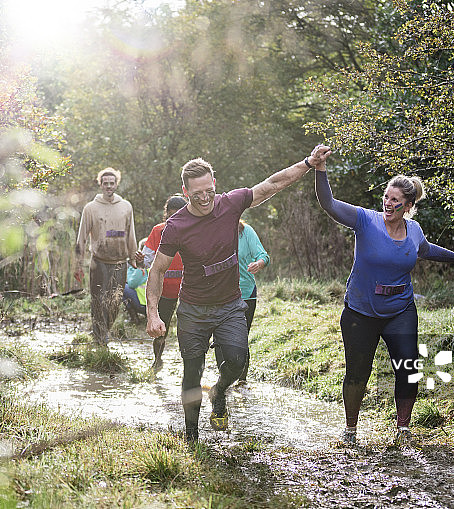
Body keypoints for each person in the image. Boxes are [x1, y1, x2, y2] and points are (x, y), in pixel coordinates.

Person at [146, 145, 332, 442]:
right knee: (192, 372)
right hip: (193, 309)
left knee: (237, 359)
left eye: (208, 190)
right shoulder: (176, 225)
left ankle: (219, 392)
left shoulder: (230, 204)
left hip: (230, 305)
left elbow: (272, 184)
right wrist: (153, 313)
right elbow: (156, 271)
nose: (204, 198)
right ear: (185, 191)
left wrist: (308, 163)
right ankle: (191, 436)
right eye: (196, 194)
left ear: (214, 184)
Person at [314, 162, 454, 445]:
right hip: (360, 311)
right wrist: (320, 169)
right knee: (358, 372)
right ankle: (351, 430)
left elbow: (427, 251)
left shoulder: (414, 231)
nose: (388, 203)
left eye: (395, 200)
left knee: (407, 368)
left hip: (400, 310)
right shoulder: (365, 220)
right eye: (386, 197)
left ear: (407, 205)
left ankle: (403, 428)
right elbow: (328, 203)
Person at [74, 167, 138, 346]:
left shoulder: (126, 206)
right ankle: (100, 339)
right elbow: (81, 238)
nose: (109, 186)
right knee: (98, 301)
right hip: (99, 262)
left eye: (112, 183)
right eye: (105, 183)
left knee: (115, 302)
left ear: (116, 184)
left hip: (120, 262)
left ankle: (104, 332)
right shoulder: (91, 208)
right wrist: (78, 265)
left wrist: (133, 258)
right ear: (100, 184)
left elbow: (130, 234)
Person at [142, 195, 188, 370]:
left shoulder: (193, 230)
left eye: (179, 215)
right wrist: (141, 259)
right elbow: (147, 261)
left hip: (188, 290)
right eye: (171, 216)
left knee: (188, 329)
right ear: (166, 215)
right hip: (164, 289)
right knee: (162, 327)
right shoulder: (158, 231)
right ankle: (157, 360)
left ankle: (189, 365)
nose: (174, 219)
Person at [235, 220, 269, 384]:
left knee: (241, 337)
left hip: (246, 292)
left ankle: (242, 380)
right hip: (220, 294)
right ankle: (225, 377)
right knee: (222, 338)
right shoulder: (213, 230)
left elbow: (263, 255)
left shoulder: (246, 232)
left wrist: (259, 263)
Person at [122, 239, 149, 324]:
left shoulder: (142, 265)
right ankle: (146, 317)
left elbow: (132, 283)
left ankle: (134, 318)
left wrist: (130, 270)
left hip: (144, 305)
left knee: (123, 287)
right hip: (156, 305)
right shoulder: (157, 262)